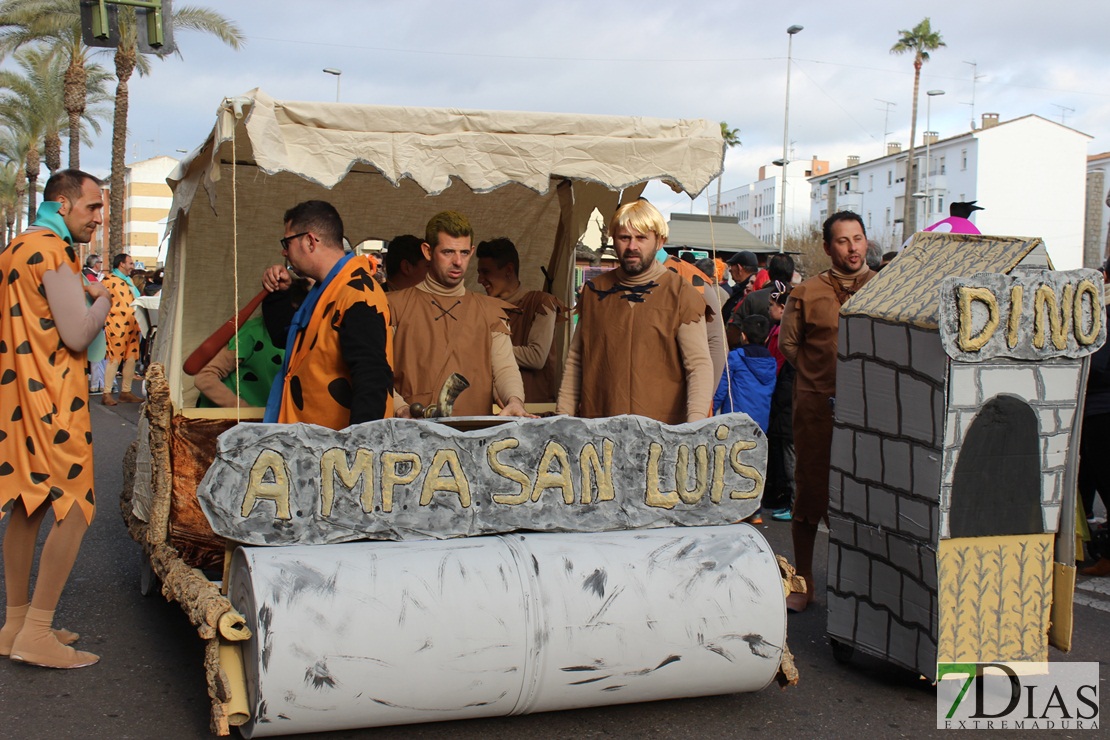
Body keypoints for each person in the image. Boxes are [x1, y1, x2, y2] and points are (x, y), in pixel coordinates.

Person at [0, 168, 109, 668]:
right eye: (92, 207)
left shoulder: (15, 250)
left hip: (16, 402)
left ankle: (16, 624)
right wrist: (105, 301)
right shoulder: (51, 251)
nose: (99, 218)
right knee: (76, 508)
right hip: (55, 404)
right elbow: (76, 334)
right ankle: (37, 632)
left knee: (27, 506)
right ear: (62, 204)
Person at [779, 211, 875, 613]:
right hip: (817, 408)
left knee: (867, 499)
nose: (852, 248)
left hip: (873, 411)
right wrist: (819, 377)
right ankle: (804, 583)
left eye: (857, 239)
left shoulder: (886, 285)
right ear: (827, 247)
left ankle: (865, 590)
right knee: (810, 495)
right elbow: (789, 344)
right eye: (842, 241)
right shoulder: (808, 293)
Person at [556, 199, 713, 424]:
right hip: (600, 431)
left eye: (641, 238)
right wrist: (562, 419)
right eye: (624, 238)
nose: (632, 247)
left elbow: (698, 366)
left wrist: (694, 427)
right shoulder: (594, 292)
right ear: (614, 240)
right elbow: (576, 360)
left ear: (659, 241)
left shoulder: (681, 293)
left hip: (662, 435)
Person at [260, 200, 393, 428]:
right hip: (310, 443)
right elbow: (285, 338)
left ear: (309, 241)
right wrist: (279, 294)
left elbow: (372, 377)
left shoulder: (356, 294)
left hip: (334, 450)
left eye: (287, 242)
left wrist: (357, 450)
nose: (284, 251)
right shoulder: (325, 291)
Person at [390, 211, 530, 418]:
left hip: (474, 438)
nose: (457, 261)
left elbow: (505, 369)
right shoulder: (392, 306)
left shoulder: (491, 311)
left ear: (472, 251)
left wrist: (515, 400)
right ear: (428, 252)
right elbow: (376, 373)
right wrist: (400, 408)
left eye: (464, 253)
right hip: (412, 437)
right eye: (448, 252)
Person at [476, 237, 567, 404]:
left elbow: (536, 357)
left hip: (532, 411)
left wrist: (485, 348)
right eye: (479, 273)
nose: (479, 280)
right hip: (491, 410)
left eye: (486, 272)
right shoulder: (483, 308)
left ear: (509, 270)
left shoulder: (542, 303)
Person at [662, 250, 726, 388]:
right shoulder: (607, 285)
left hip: (674, 394)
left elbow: (715, 342)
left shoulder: (694, 281)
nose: (632, 245)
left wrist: (701, 404)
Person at [713, 314, 777, 430]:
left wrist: (709, 412)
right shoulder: (771, 362)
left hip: (734, 421)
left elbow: (721, 389)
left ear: (743, 336)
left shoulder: (735, 357)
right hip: (760, 424)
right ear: (767, 338)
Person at [765, 283, 796, 522]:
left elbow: (777, 365)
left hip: (786, 403)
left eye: (771, 306)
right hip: (786, 402)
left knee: (789, 456)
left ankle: (792, 501)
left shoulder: (783, 335)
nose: (769, 310)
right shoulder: (781, 332)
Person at [101, 253, 143, 405]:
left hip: (132, 325)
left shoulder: (128, 281)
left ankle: (126, 391)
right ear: (122, 264)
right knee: (114, 358)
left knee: (131, 359)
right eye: (130, 263)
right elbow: (100, 300)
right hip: (116, 324)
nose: (132, 266)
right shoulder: (109, 280)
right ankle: (106, 393)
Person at [729, 253, 795, 345]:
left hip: (752, 354)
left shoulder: (753, 298)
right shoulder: (799, 298)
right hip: (788, 354)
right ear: (792, 274)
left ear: (769, 272)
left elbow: (734, 330)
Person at [721, 249, 759, 320]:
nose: (730, 270)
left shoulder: (747, 291)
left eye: (731, 266)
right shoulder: (740, 289)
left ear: (739, 268)